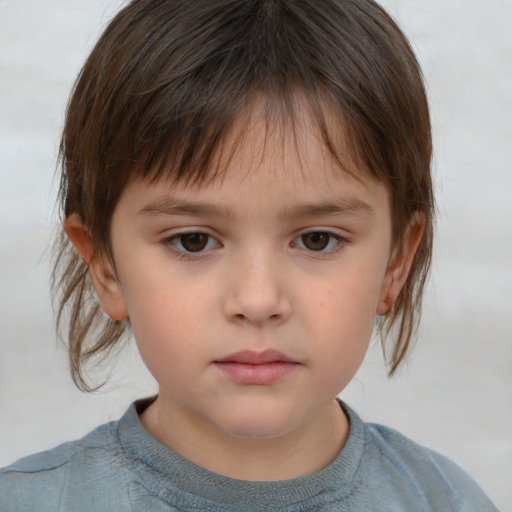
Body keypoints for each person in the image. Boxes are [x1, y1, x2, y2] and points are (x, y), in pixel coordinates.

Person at [0, 0, 498, 510]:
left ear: (397, 262)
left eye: (317, 240)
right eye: (193, 240)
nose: (258, 301)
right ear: (105, 264)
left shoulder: (447, 501)